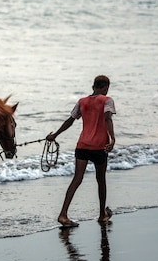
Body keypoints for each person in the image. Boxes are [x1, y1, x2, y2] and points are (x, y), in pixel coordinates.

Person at [46, 75, 116, 226]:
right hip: (99, 147)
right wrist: (112, 139)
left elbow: (70, 120)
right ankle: (102, 214)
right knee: (101, 180)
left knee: (77, 180)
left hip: (82, 145)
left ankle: (63, 215)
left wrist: (55, 135)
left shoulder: (82, 101)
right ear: (106, 87)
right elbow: (107, 118)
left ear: (93, 87)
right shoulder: (107, 100)